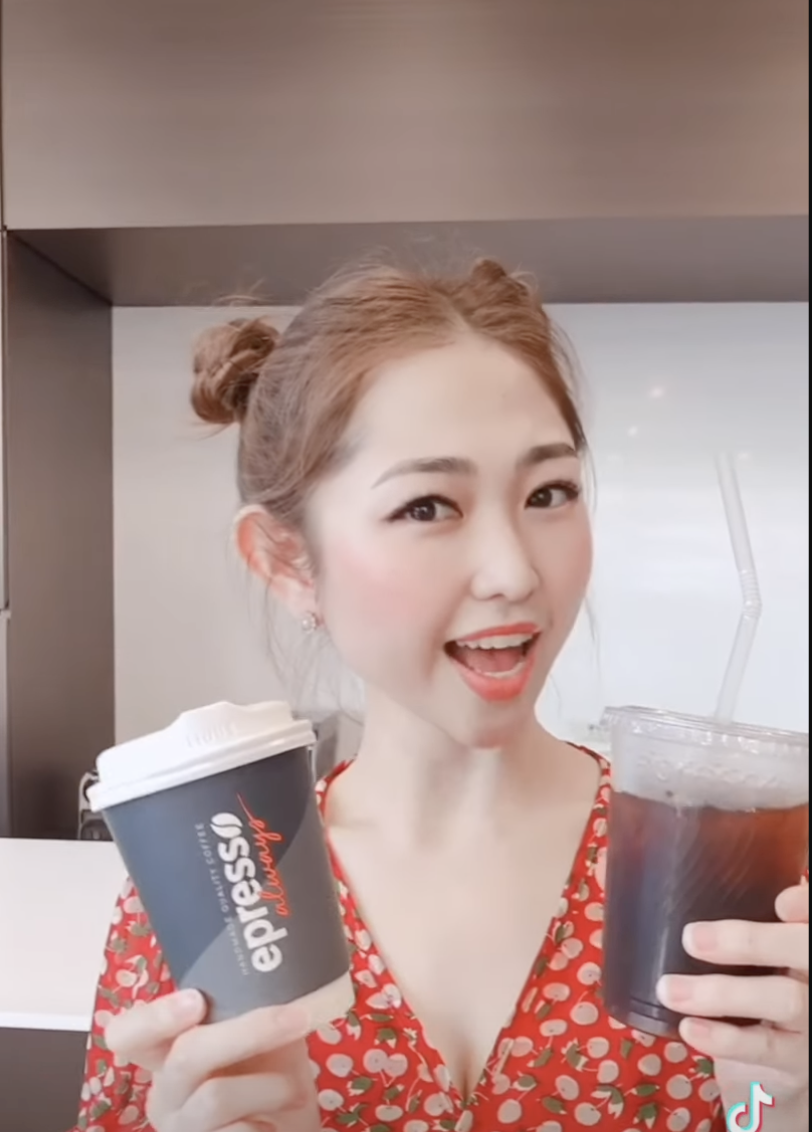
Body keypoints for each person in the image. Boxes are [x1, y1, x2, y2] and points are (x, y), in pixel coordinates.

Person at [72, 260, 809, 1132]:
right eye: (427, 507)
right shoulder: (210, 895)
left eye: (548, 493)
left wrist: (781, 1106)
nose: (514, 572)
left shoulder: (728, 871)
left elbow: (748, 1117)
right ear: (287, 561)